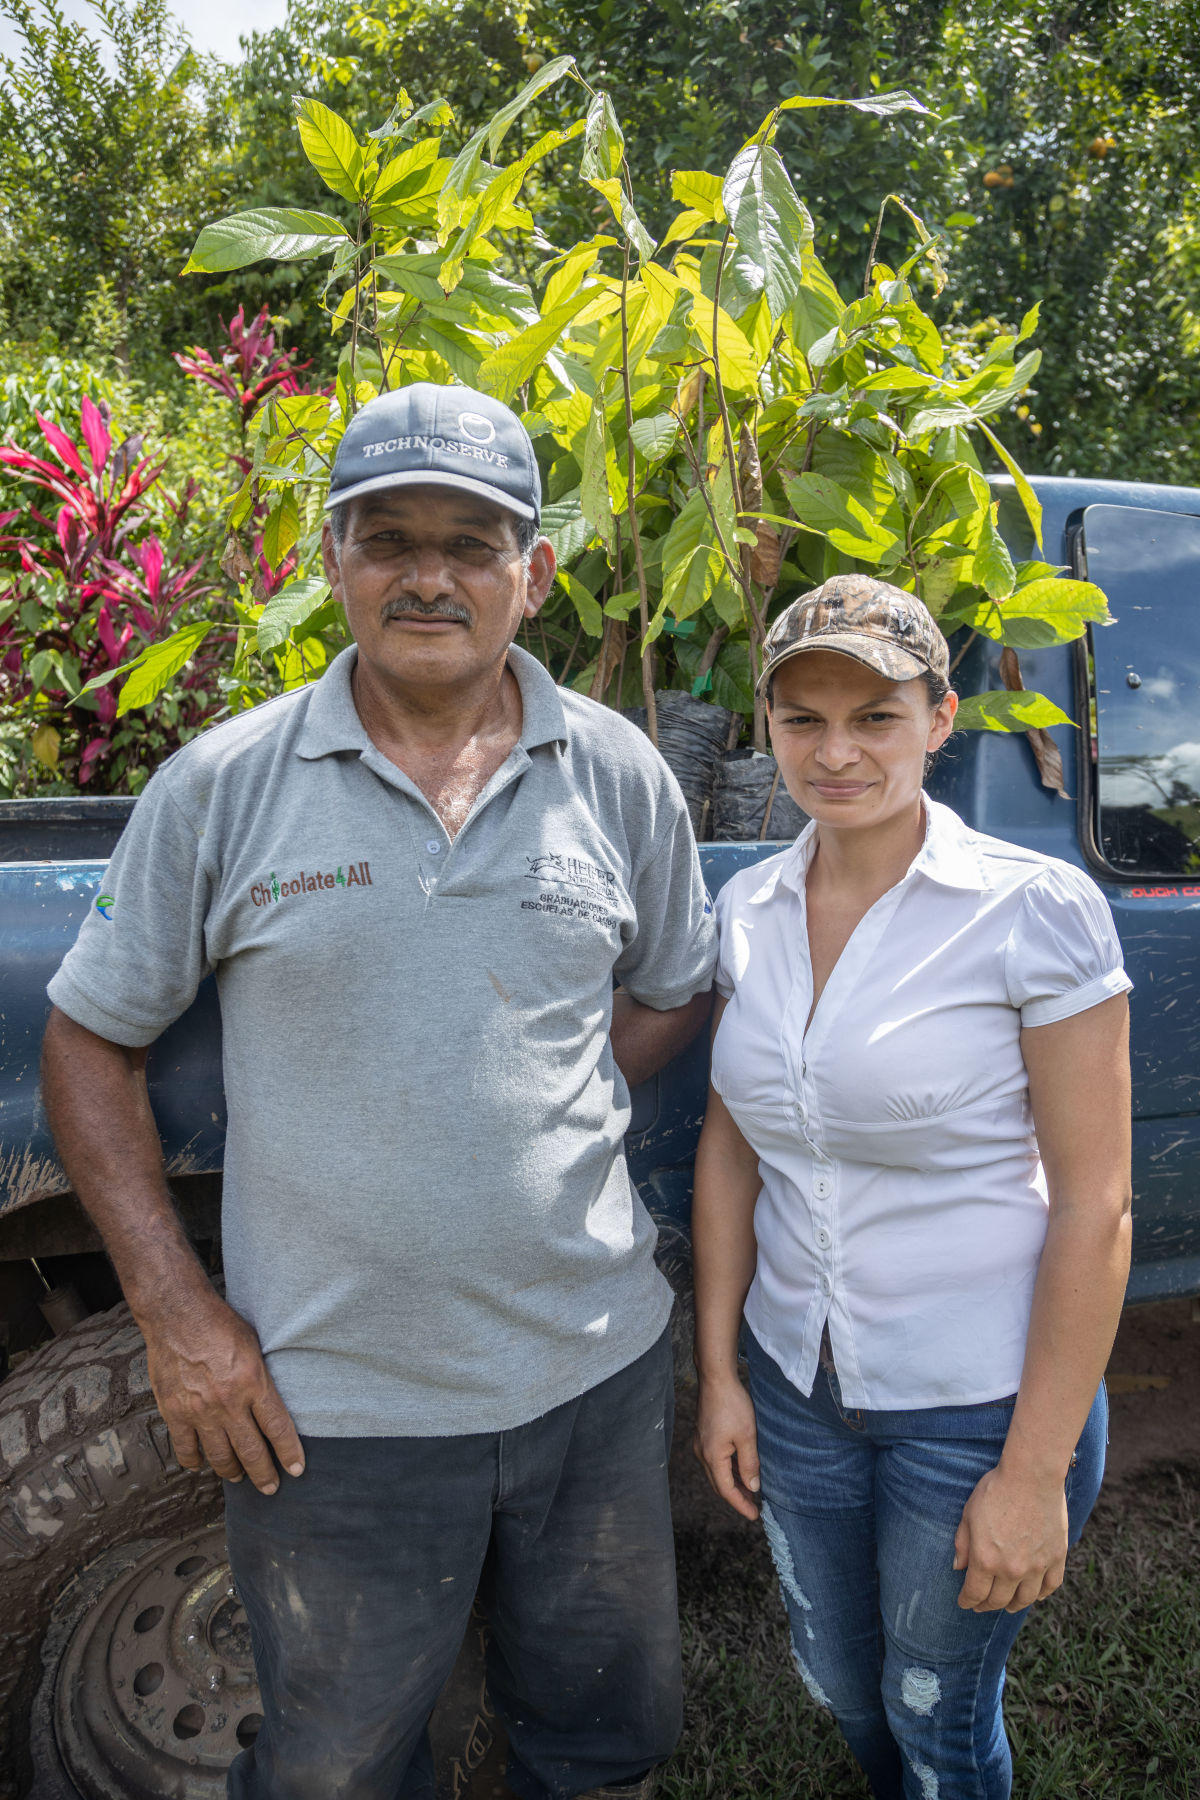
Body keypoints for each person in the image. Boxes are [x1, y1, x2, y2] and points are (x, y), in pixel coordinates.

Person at [41, 381, 717, 1800]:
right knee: (334, 1770)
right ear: (331, 560)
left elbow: (671, 985)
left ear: (532, 573)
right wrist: (178, 1319)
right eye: (387, 537)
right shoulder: (222, 787)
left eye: (471, 543)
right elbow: (88, 1041)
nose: (427, 574)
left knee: (603, 1745)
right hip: (329, 1411)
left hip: (591, 1375)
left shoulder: (620, 775)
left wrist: (550, 1083)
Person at [691, 575, 1132, 1800]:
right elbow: (734, 1148)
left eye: (875, 718)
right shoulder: (750, 910)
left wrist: (1033, 1476)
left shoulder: (1029, 912)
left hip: (977, 1400)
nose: (837, 754)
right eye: (803, 720)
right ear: (769, 727)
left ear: (940, 719)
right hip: (799, 1384)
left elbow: (1097, 1206)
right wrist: (723, 1376)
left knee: (933, 1706)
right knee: (839, 1682)